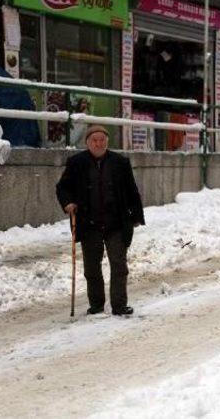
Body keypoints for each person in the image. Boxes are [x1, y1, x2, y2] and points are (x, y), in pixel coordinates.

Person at [56, 125, 145, 316]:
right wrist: (68, 203)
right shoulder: (76, 162)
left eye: (102, 140)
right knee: (91, 268)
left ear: (107, 141)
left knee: (119, 265)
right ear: (87, 142)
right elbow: (63, 187)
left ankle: (119, 306)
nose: (99, 143)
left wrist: (136, 216)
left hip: (116, 223)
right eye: (94, 140)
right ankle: (96, 305)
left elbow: (132, 190)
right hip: (89, 224)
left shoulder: (120, 162)